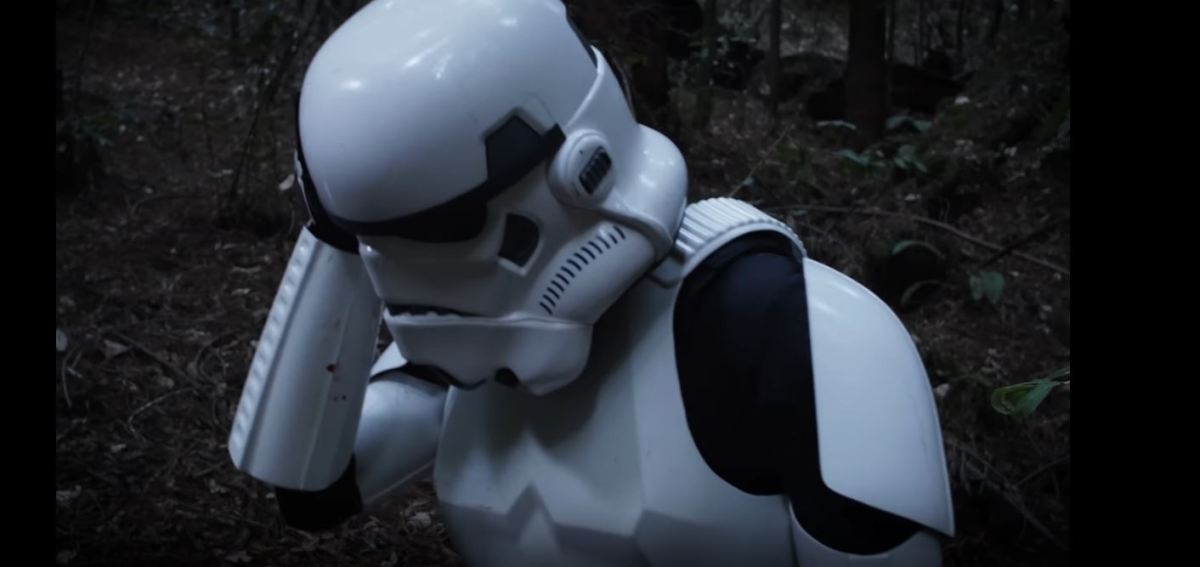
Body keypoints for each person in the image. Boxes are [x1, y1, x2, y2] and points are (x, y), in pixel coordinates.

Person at [227, 0, 954, 564]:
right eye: (383, 242)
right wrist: (333, 232)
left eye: (434, 233)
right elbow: (310, 490)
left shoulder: (806, 333)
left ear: (584, 171)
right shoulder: (457, 349)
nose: (405, 274)